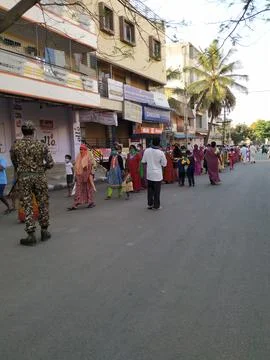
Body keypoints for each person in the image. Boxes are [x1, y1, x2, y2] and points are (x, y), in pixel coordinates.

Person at [10, 121, 54, 245]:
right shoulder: (42, 145)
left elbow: (15, 164)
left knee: (27, 204)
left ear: (23, 131)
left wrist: (23, 171)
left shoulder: (16, 146)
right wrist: (41, 169)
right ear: (33, 131)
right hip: (40, 177)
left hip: (24, 178)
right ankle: (44, 231)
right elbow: (50, 163)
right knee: (43, 203)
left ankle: (31, 235)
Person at [67, 144, 95, 210]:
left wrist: (86, 176)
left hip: (87, 177)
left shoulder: (88, 157)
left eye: (83, 149)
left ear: (85, 150)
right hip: (79, 176)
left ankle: (91, 202)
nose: (81, 151)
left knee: (88, 189)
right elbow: (76, 168)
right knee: (78, 190)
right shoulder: (78, 157)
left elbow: (90, 168)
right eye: (80, 149)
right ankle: (75, 204)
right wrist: (76, 176)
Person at [141, 137, 167, 210]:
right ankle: (156, 205)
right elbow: (164, 164)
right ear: (159, 143)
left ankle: (150, 204)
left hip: (149, 174)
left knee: (150, 190)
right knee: (157, 191)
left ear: (152, 142)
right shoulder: (161, 152)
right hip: (158, 175)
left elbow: (143, 162)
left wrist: (144, 172)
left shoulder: (147, 151)